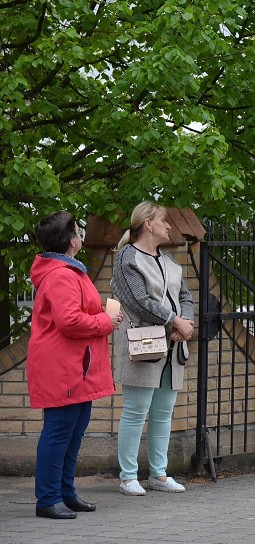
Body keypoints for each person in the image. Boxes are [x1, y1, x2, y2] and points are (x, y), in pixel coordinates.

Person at [28, 211, 121, 519]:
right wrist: (105, 320)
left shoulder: (66, 271)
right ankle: (48, 499)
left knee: (73, 431)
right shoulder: (61, 275)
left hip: (72, 366)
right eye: (79, 232)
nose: (82, 236)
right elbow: (69, 322)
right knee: (59, 433)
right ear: (71, 241)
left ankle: (65, 493)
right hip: (62, 367)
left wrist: (101, 317)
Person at [111, 201, 195, 495]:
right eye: (163, 220)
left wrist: (187, 322)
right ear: (148, 223)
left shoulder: (170, 262)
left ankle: (158, 474)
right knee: (136, 410)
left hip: (172, 347)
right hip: (143, 345)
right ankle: (128, 476)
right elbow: (137, 301)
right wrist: (176, 322)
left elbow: (186, 296)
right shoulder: (127, 259)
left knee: (164, 411)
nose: (168, 225)